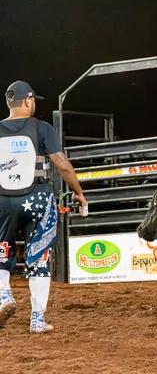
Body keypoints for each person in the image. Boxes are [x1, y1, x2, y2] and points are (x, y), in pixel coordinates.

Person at [0, 80, 89, 334]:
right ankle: (37, 320)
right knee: (39, 258)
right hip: (39, 198)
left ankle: (5, 297)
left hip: (2, 202)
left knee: (1, 252)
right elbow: (61, 164)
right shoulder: (42, 129)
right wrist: (78, 192)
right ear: (28, 100)